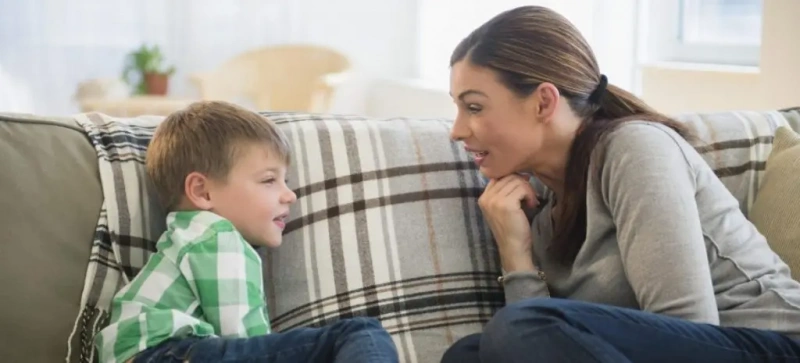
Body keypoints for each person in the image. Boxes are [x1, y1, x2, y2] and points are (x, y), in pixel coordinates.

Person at [442, 5, 800, 363]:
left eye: (474, 107)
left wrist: (526, 326)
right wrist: (516, 255)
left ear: (544, 102)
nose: (457, 131)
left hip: (770, 344)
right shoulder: (537, 203)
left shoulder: (635, 148)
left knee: (518, 328)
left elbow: (686, 328)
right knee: (469, 354)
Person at [94, 101, 399, 363]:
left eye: (286, 181)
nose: (289, 195)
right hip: (165, 353)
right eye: (269, 180)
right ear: (202, 191)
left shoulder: (187, 238)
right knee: (361, 333)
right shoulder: (216, 236)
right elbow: (242, 335)